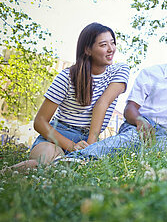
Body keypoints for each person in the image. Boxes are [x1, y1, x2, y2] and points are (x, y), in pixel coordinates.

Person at [64, 32, 167, 158]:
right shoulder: (151, 73)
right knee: (132, 139)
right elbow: (130, 109)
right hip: (138, 126)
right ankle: (79, 158)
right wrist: (141, 122)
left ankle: (125, 155)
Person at [7, 23, 129, 171]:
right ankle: (6, 174)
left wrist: (89, 148)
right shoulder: (67, 77)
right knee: (44, 163)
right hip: (58, 136)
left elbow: (102, 103)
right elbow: (40, 121)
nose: (111, 49)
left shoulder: (119, 71)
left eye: (112, 43)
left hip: (90, 139)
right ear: (88, 49)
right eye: (103, 45)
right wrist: (71, 146)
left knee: (68, 170)